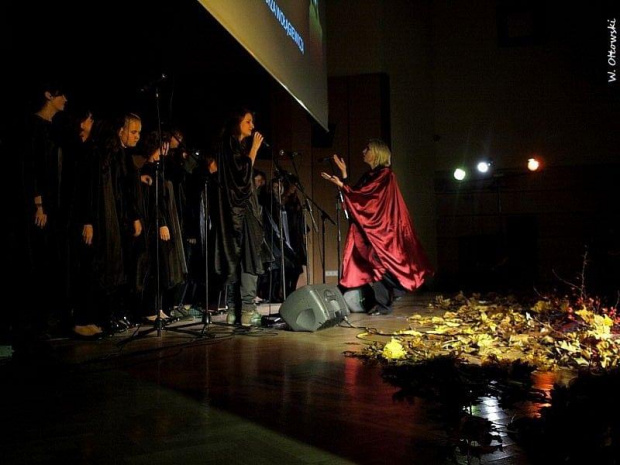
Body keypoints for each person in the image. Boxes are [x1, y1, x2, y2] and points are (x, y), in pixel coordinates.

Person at [321, 139, 433, 315]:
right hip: (371, 230)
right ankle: (386, 301)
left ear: (377, 153)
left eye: (368, 149)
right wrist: (344, 175)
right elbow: (356, 194)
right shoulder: (370, 175)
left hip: (383, 230)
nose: (363, 151)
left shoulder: (385, 174)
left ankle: (393, 295)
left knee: (379, 264)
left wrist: (343, 185)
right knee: (375, 265)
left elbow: (366, 197)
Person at [211, 107, 267, 326]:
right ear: (237, 123)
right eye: (248, 122)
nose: (252, 126)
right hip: (241, 212)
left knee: (236, 257)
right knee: (248, 258)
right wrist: (253, 150)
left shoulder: (227, 147)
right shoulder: (232, 147)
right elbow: (242, 178)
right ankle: (245, 310)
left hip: (232, 212)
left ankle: (235, 311)